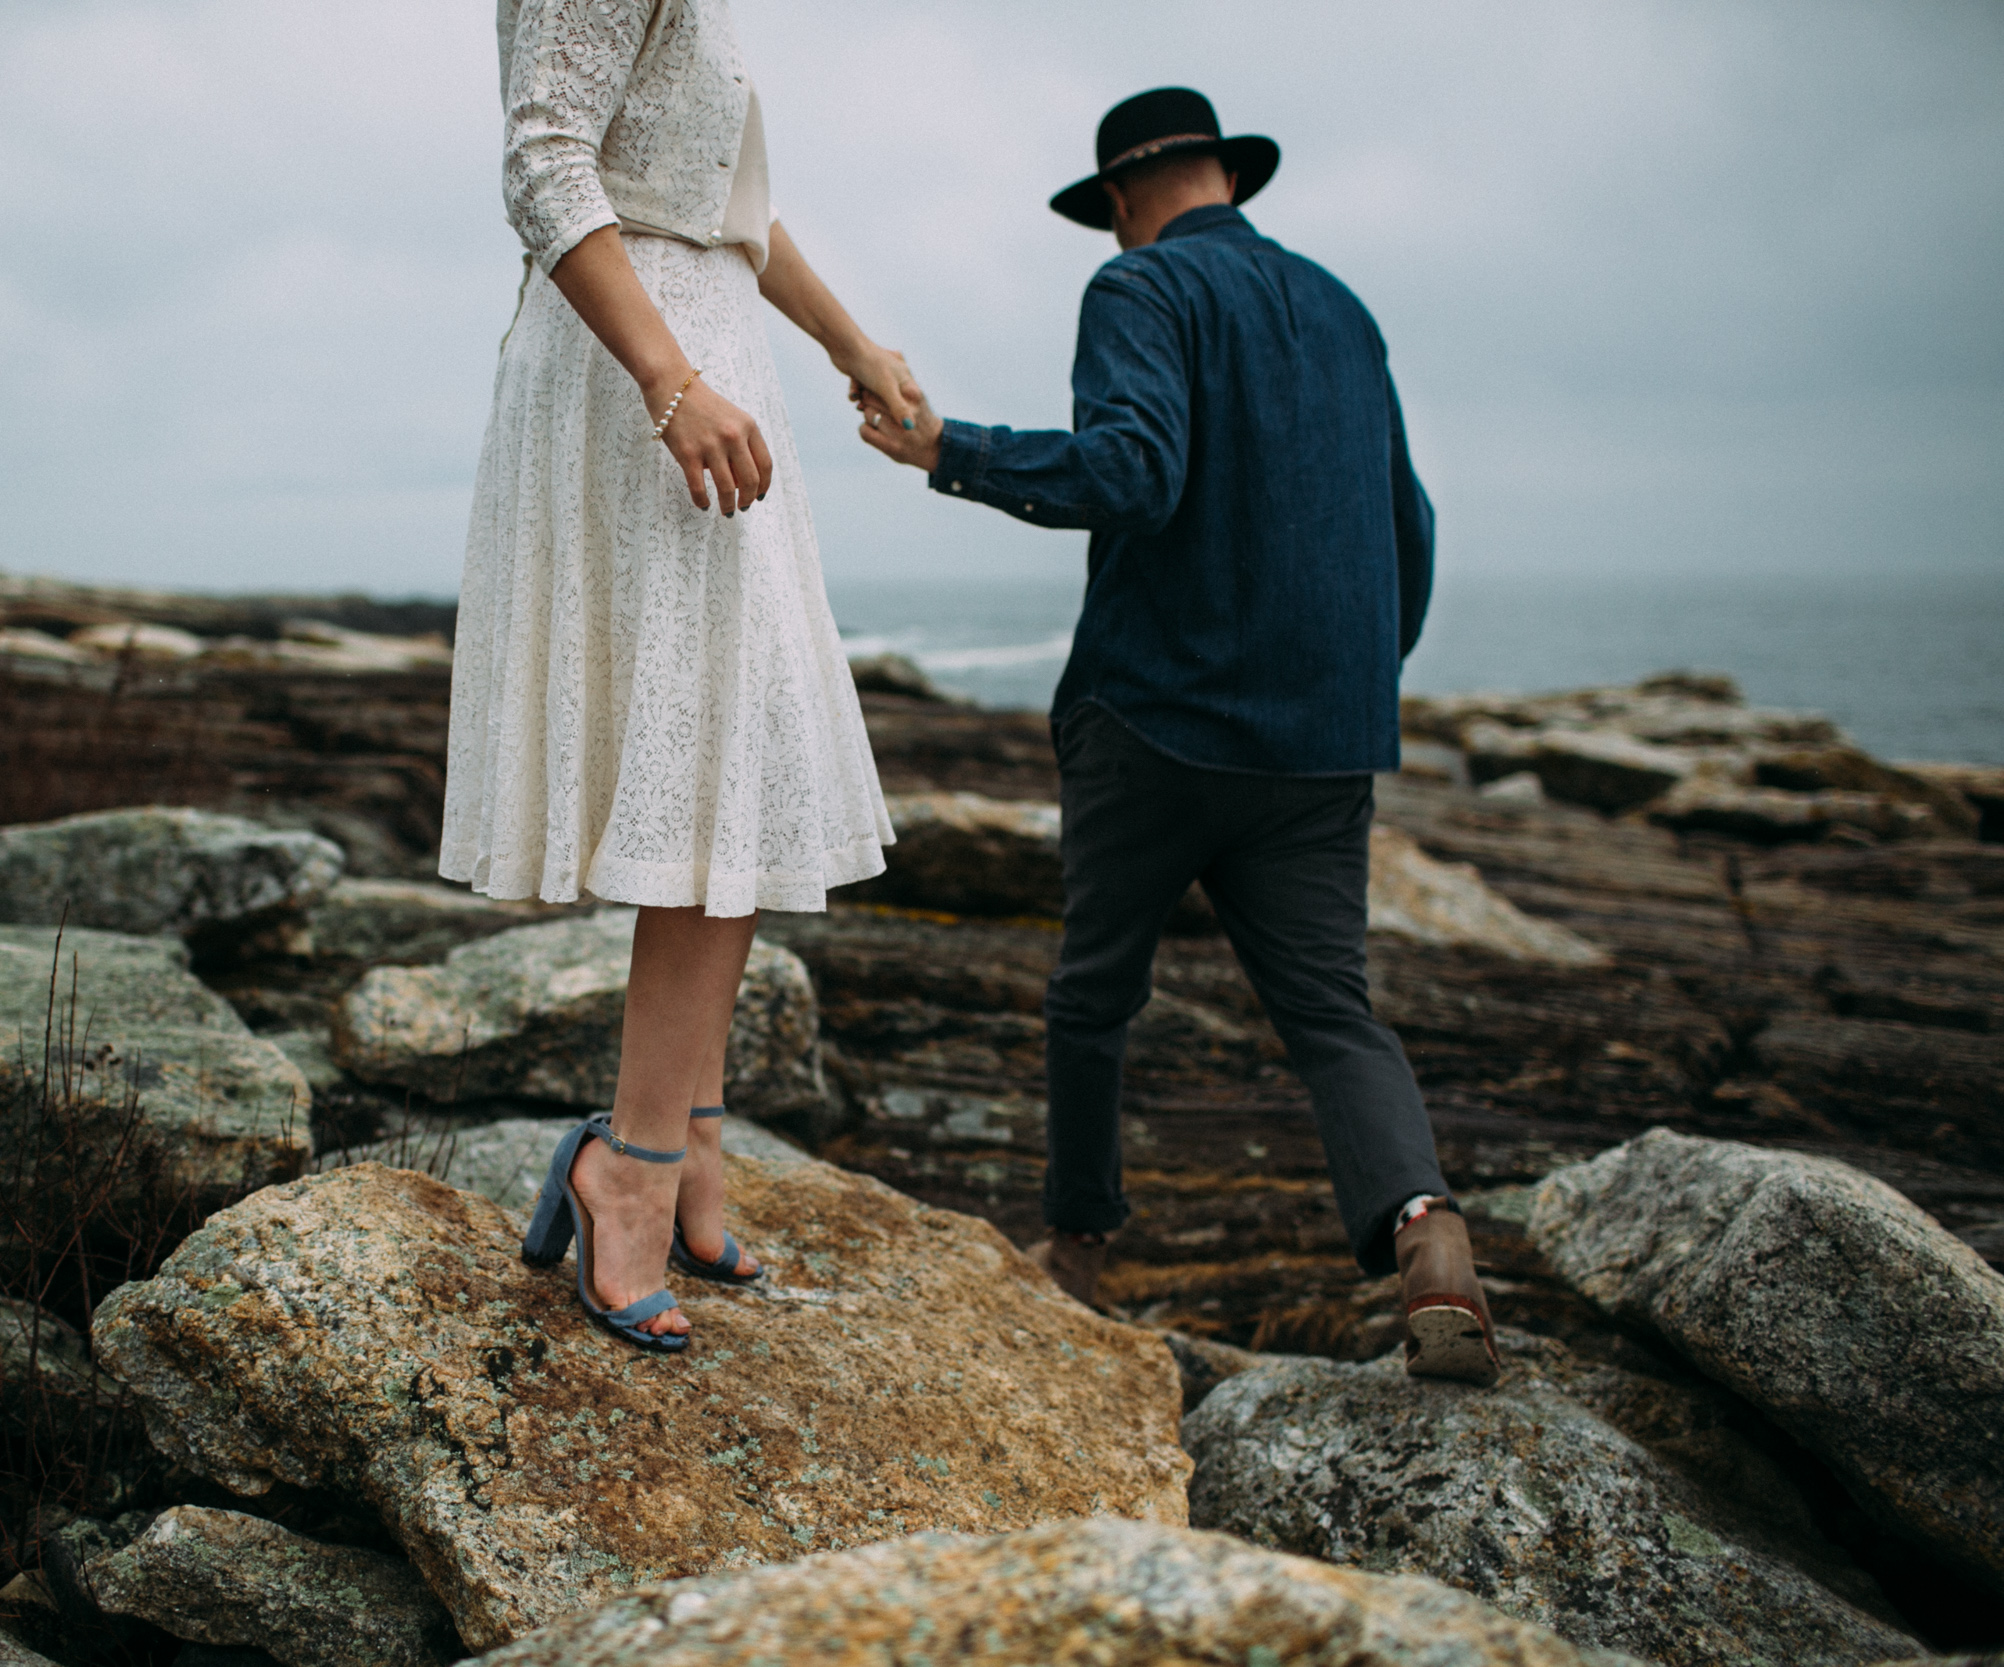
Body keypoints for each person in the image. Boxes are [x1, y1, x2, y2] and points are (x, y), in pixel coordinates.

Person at [853, 87, 1499, 1384]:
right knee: (1332, 1015)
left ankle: (1079, 1251)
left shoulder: (1138, 294)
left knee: (1095, 995)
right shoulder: (1345, 313)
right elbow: (1407, 530)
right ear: (1226, 179)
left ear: (1127, 199)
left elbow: (1137, 471)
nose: (1108, 238)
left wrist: (950, 451)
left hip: (1155, 725)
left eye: (1107, 216)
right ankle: (1428, 1234)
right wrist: (1356, 678)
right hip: (1321, 745)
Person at [453, 0, 917, 1353]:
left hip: (712, 355)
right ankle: (633, 1168)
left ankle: (690, 1141)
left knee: (743, 762)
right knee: (714, 766)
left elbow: (731, 212)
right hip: (640, 374)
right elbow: (544, 164)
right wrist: (669, 381)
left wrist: (851, 345)